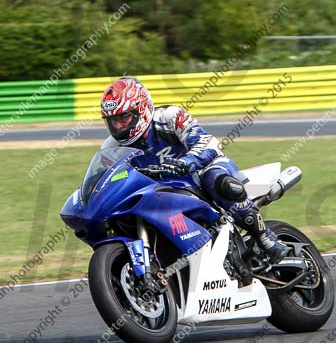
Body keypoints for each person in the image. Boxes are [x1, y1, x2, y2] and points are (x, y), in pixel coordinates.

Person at [100, 76, 289, 263]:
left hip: (199, 172)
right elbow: (109, 178)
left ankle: (265, 237)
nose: (118, 126)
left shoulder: (169, 117)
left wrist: (186, 162)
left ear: (142, 110)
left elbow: (205, 141)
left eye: (123, 117)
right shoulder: (110, 148)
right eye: (112, 121)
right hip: (160, 193)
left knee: (216, 180)